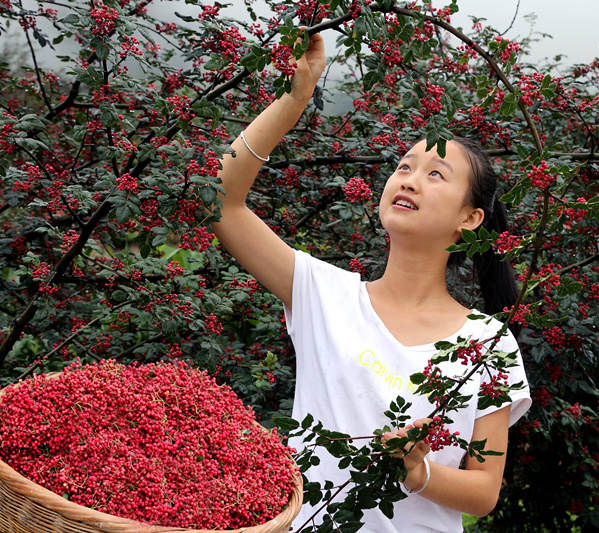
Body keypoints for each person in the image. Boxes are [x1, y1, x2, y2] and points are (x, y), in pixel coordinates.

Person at [209, 27, 532, 533]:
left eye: (436, 173)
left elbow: (484, 490)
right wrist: (294, 100)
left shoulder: (488, 344)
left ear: (469, 219)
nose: (408, 178)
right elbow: (222, 203)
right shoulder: (322, 294)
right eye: (405, 165)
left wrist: (414, 470)